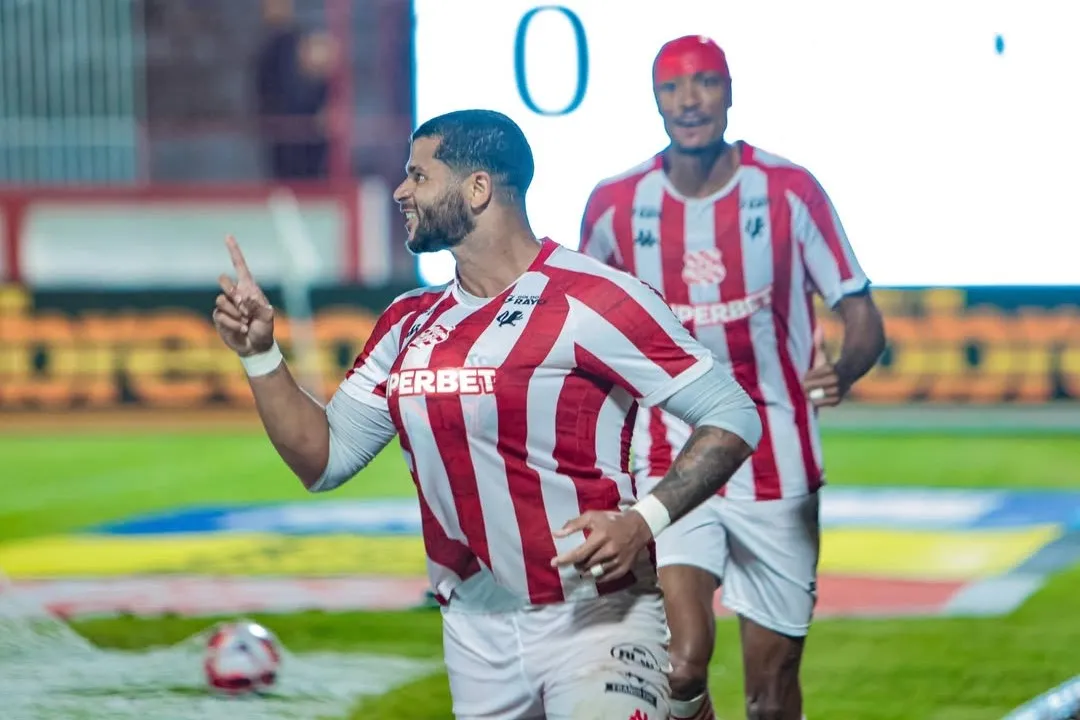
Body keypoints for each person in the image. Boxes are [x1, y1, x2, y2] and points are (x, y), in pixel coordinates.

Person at [212, 108, 764, 720]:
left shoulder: (593, 299)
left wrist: (642, 522)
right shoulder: (406, 323)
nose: (400, 192)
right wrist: (261, 355)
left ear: (477, 189)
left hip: (595, 616)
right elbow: (324, 460)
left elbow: (733, 416)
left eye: (418, 176)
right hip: (474, 631)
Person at [579, 37, 886, 720]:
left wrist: (846, 366)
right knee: (680, 666)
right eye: (672, 89)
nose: (690, 101)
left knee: (769, 701)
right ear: (655, 102)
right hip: (671, 460)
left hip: (779, 465)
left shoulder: (789, 191)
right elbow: (590, 334)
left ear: (729, 92)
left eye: (706, 83)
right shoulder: (613, 207)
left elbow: (862, 314)